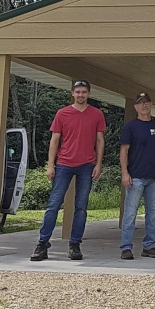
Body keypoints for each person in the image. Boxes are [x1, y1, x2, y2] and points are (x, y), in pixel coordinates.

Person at [31, 80, 105, 262]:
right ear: (72, 93)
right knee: (54, 205)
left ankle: (75, 244)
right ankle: (42, 244)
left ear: (89, 93)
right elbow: (54, 140)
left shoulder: (96, 114)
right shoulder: (62, 113)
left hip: (87, 164)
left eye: (84, 92)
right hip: (64, 163)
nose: (81, 95)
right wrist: (50, 165)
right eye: (78, 92)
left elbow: (100, 141)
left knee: (81, 207)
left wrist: (98, 164)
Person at [119, 92, 155, 260]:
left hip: (154, 177)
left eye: (147, 102)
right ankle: (126, 247)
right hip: (135, 177)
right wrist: (125, 172)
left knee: (152, 213)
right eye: (140, 103)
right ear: (136, 107)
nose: (144, 105)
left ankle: (149, 246)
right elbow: (124, 150)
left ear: (151, 105)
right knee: (130, 212)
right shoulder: (131, 127)